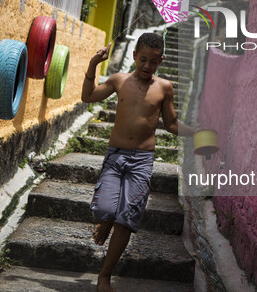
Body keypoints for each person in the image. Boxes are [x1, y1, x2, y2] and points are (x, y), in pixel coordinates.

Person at [81, 32, 197, 292]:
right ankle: (107, 219)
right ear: (134, 56)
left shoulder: (164, 87)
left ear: (161, 61)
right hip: (115, 155)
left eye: (153, 61)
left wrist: (198, 133)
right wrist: (93, 65)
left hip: (142, 160)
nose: (147, 66)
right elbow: (88, 97)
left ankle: (105, 276)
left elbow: (172, 124)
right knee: (104, 209)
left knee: (127, 218)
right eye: (143, 59)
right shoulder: (119, 80)